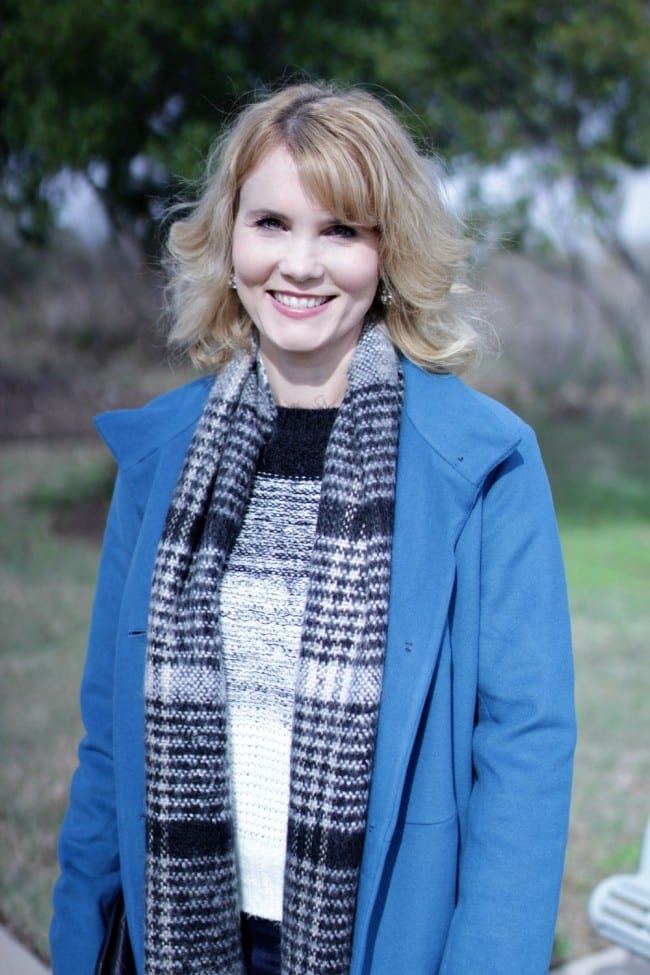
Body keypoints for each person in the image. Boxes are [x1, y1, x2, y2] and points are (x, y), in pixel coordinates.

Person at [50, 81, 576, 975]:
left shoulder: (483, 464)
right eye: (271, 224)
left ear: (388, 251)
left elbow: (524, 755)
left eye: (340, 230)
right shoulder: (160, 458)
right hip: (180, 942)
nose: (299, 264)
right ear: (228, 240)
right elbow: (108, 737)